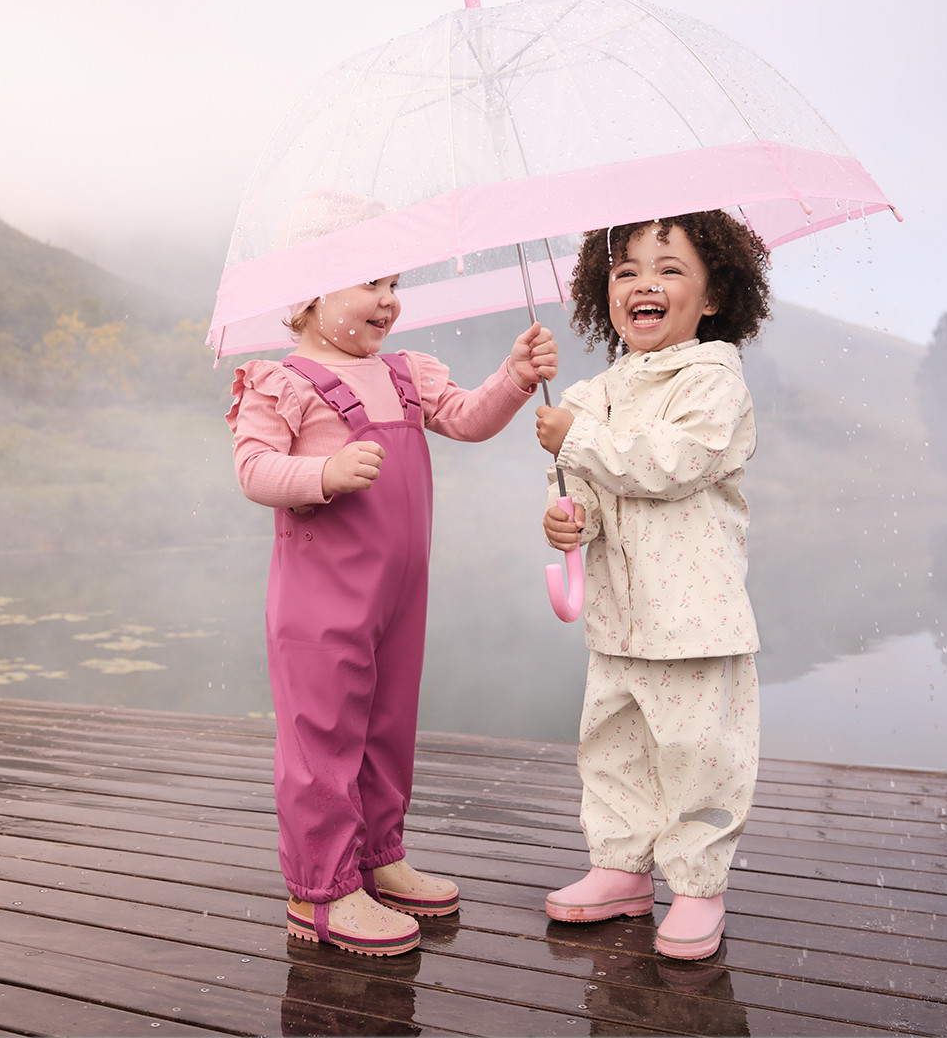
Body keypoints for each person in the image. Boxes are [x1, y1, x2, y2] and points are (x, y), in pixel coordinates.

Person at [227, 272, 557, 958]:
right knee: (324, 735)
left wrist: (515, 376)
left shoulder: (407, 372)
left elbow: (468, 419)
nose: (388, 301)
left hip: (399, 595)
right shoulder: (283, 381)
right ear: (307, 297)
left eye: (393, 284)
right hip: (320, 600)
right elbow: (254, 468)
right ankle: (319, 890)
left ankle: (379, 855)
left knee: (386, 724)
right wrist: (323, 474)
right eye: (367, 285)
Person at [534, 210, 771, 961]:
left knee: (699, 752)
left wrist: (579, 435)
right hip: (619, 619)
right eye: (626, 269)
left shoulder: (713, 382)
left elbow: (669, 465)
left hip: (695, 618)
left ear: (712, 297)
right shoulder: (592, 392)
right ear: (600, 292)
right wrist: (569, 521)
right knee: (614, 749)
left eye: (670, 269)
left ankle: (699, 887)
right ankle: (620, 868)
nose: (644, 283)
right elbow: (593, 492)